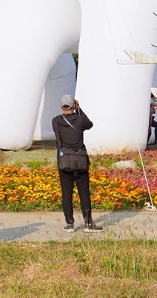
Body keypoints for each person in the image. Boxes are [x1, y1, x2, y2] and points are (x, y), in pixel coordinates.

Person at [51, 95, 103, 232]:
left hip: (64, 162)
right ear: (73, 105)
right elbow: (89, 124)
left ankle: (69, 224)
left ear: (61, 106)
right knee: (84, 193)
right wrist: (79, 109)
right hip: (80, 162)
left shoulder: (55, 121)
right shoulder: (79, 120)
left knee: (66, 193)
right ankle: (87, 223)